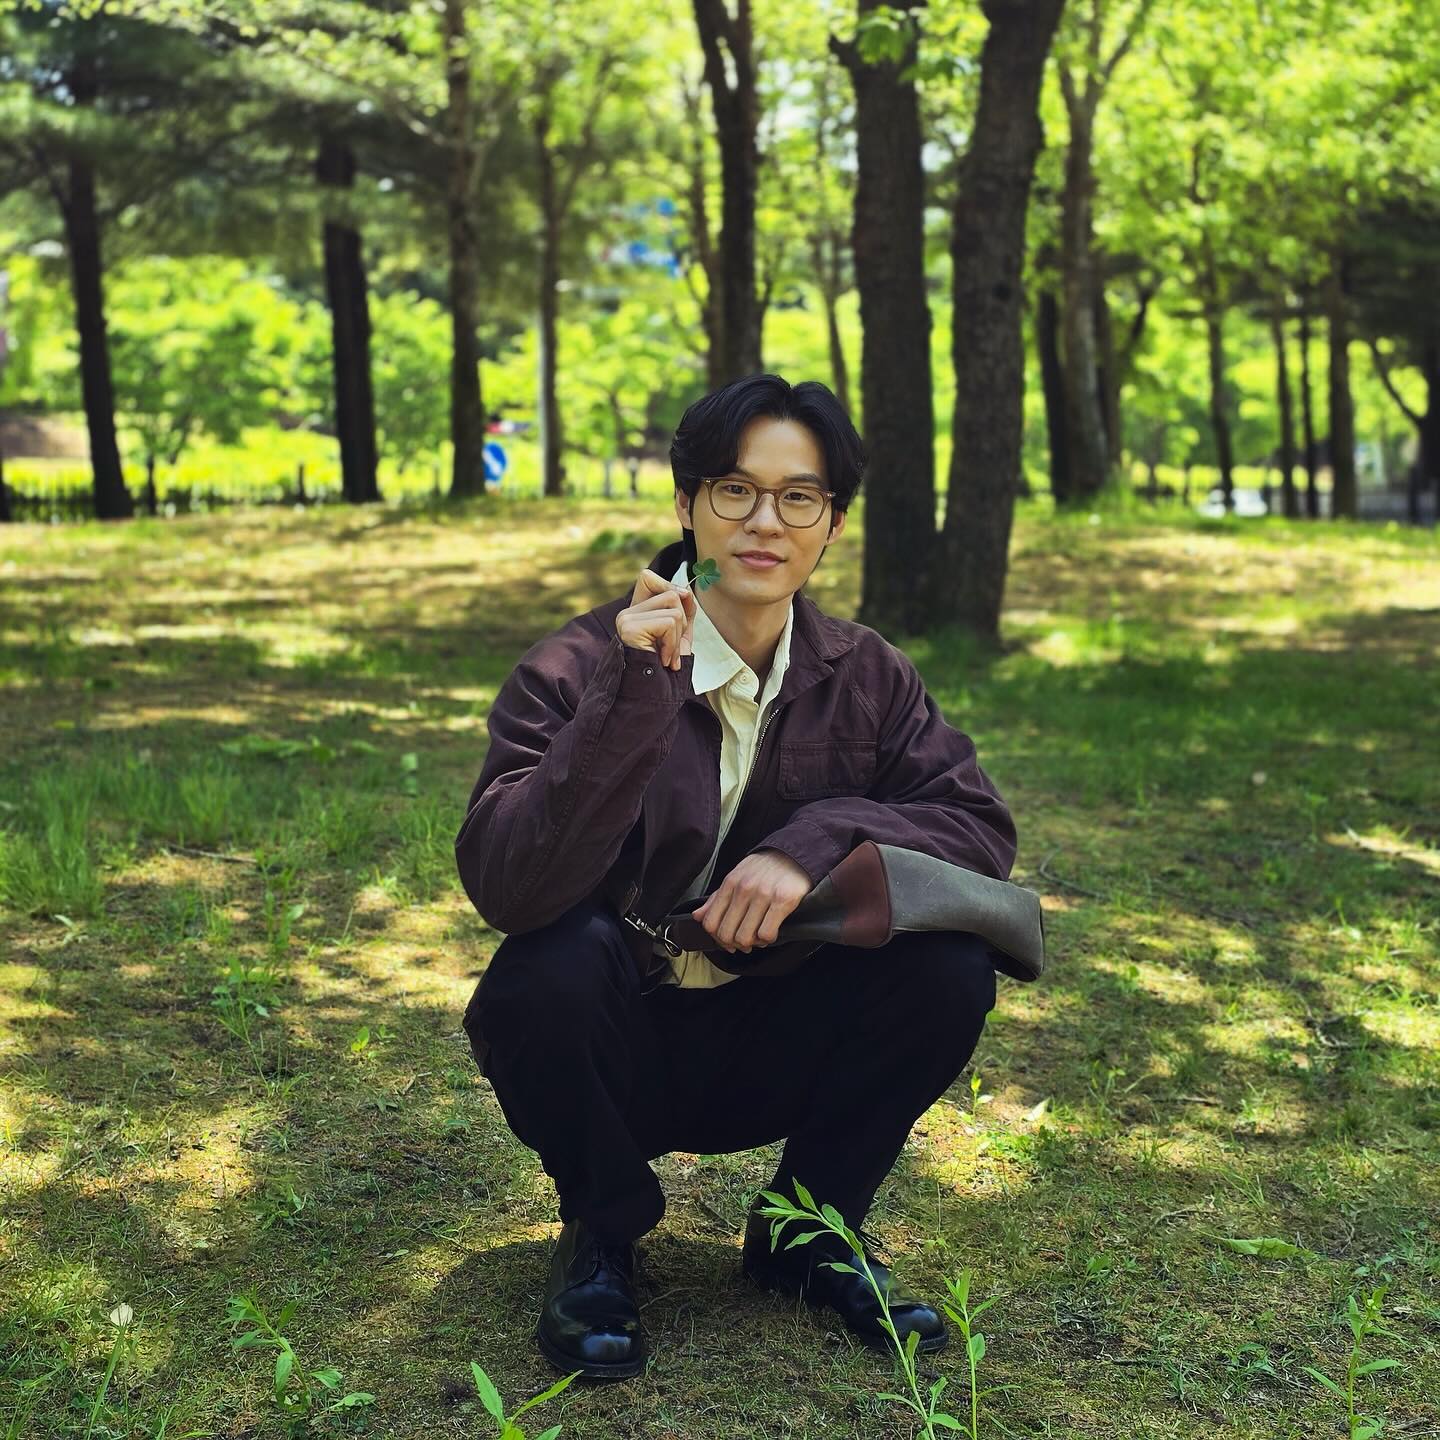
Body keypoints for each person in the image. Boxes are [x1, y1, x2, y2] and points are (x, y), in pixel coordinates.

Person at [456, 373, 1016, 1381]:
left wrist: (811, 843)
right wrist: (629, 696)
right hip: (615, 1036)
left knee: (949, 969)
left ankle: (809, 1231)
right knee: (544, 968)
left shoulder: (869, 674)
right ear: (688, 506)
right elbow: (509, 886)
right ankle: (600, 1234)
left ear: (832, 524)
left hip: (780, 1025)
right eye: (735, 491)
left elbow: (976, 825)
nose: (766, 522)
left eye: (799, 497)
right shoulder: (578, 662)